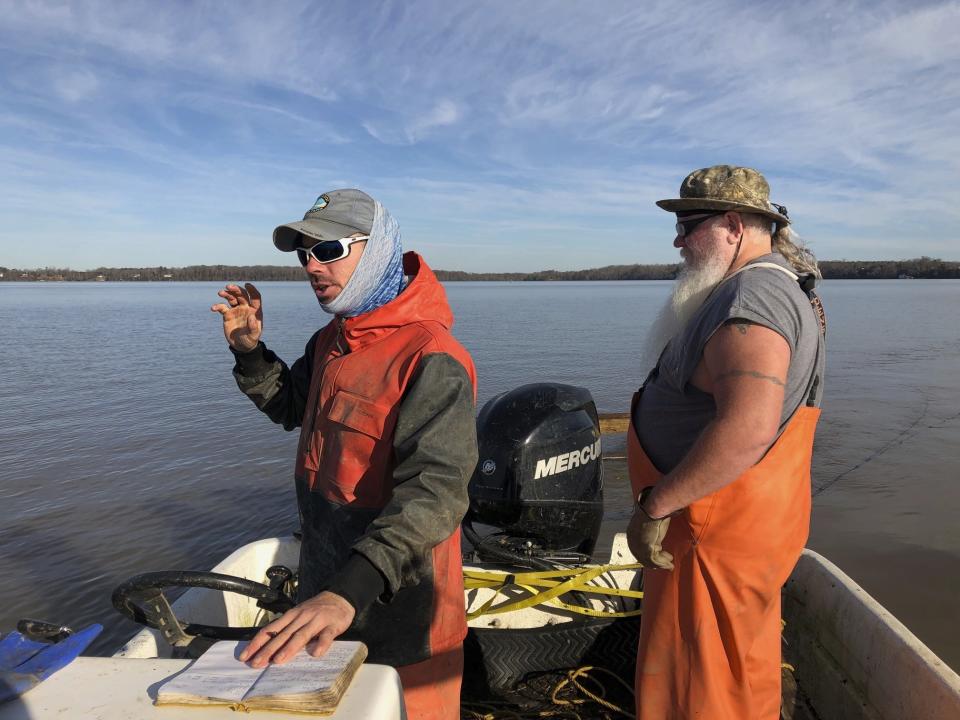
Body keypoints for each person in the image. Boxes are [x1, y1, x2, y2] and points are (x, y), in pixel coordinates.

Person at [211, 189, 478, 720]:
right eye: (303, 253)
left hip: (404, 612)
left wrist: (348, 593)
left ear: (376, 248)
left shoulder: (432, 357)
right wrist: (250, 353)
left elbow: (436, 495)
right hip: (325, 598)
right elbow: (290, 407)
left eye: (327, 250)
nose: (311, 265)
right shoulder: (331, 340)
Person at [625, 166, 826, 720]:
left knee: (709, 688)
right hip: (718, 528)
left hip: (710, 531)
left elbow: (748, 425)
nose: (678, 239)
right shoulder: (761, 288)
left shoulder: (754, 296)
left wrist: (655, 505)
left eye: (689, 223)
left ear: (734, 225)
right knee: (716, 669)